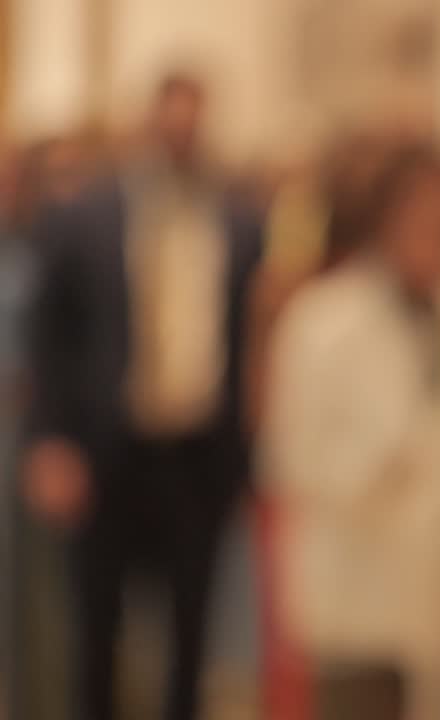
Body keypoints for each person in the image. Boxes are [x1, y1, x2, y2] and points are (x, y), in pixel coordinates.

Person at [22, 72, 262, 720]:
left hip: (197, 455)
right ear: (151, 126)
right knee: (96, 633)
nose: (180, 138)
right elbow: (48, 339)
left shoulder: (238, 223)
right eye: (170, 125)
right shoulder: (86, 217)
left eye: (192, 126)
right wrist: (49, 441)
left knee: (190, 639)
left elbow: (252, 340)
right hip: (108, 450)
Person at [262, 143, 440, 720]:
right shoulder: (322, 324)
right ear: (385, 221)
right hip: (354, 607)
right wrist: (387, 462)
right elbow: (288, 461)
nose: (432, 240)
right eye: (418, 222)